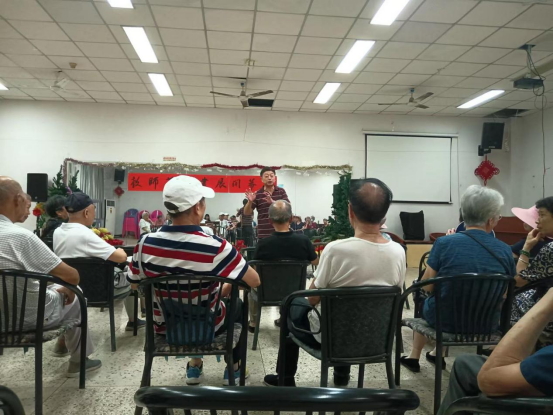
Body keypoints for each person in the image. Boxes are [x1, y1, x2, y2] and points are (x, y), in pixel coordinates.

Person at [263, 178, 406, 387]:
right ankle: (341, 377)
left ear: (350, 211)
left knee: (290, 304)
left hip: (331, 337)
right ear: (384, 215)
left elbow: (312, 299)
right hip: (377, 337)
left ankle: (285, 378)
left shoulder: (336, 249)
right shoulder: (398, 252)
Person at [128, 175, 260, 386]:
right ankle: (234, 368)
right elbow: (254, 281)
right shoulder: (216, 246)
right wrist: (224, 287)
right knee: (237, 305)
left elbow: (135, 284)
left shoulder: (144, 244)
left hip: (164, 326)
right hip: (208, 324)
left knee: (187, 306)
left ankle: (194, 365)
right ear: (198, 207)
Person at [400, 185, 516, 373]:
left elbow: (427, 287)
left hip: (444, 321)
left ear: (463, 215)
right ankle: (437, 354)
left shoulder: (444, 243)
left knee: (425, 296)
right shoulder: (505, 250)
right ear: (491, 219)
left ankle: (416, 355)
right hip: (486, 324)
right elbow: (504, 293)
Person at [0, 177, 101, 377]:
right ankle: (79, 361)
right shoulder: (20, 236)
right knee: (76, 291)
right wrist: (64, 286)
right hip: (26, 319)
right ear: (18, 199)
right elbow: (71, 275)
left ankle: (63, 345)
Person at [437, 287, 553, 415]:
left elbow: (488, 379)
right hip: (488, 324)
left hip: (447, 320)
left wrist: (547, 302)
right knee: (464, 364)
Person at [53, 191, 144, 332]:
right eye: (94, 210)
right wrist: (120, 251)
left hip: (70, 289)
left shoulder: (58, 232)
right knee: (131, 273)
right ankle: (133, 321)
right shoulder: (85, 234)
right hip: (99, 291)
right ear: (86, 212)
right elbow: (120, 257)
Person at [248, 200, 319, 333]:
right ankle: (284, 318)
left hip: (268, 291)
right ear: (291, 219)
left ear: (270, 220)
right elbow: (315, 262)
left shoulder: (263, 244)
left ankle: (253, 322)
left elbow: (256, 271)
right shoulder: (303, 241)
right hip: (295, 291)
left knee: (252, 289)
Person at [511, 197, 553, 342]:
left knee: (512, 297)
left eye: (542, 215)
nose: (537, 221)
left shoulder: (551, 248)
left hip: (548, 317)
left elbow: (519, 280)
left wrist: (526, 248)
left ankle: (520, 346)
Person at [244, 167, 290, 240]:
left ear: (274, 178)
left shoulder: (281, 191)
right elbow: (247, 213)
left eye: (271, 176)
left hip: (281, 232)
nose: (269, 178)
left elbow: (288, 207)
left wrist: (273, 203)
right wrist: (250, 202)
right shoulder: (257, 194)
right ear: (261, 179)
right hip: (264, 233)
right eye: (266, 176)